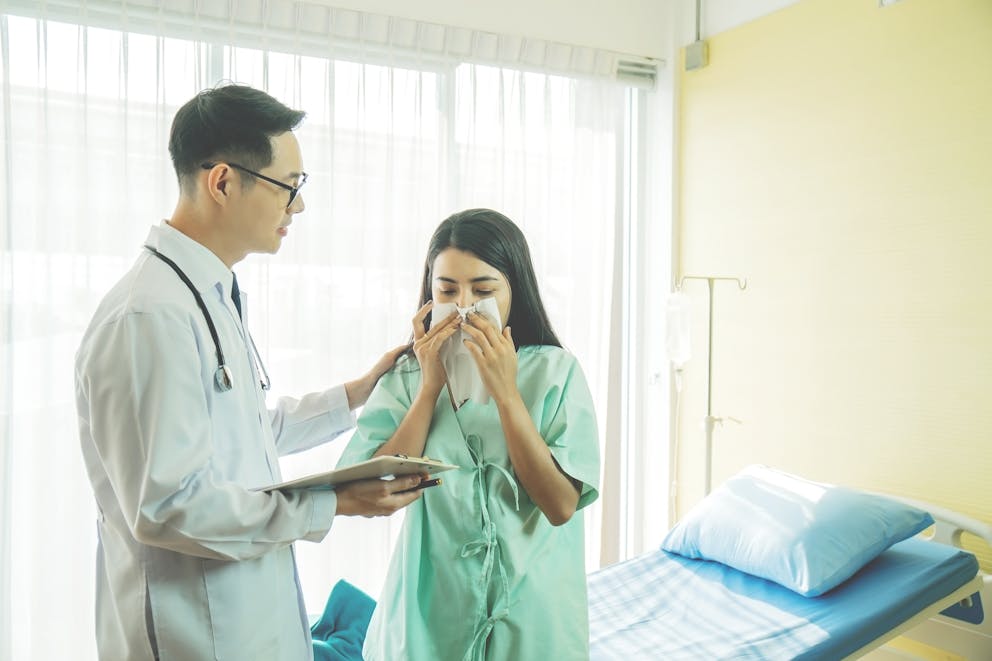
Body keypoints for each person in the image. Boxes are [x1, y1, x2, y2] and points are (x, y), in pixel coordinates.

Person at [74, 83, 427, 661]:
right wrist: (332, 503)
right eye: (289, 187)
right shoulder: (148, 317)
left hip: (250, 626)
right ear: (223, 182)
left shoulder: (207, 292)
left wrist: (357, 393)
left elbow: (242, 431)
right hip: (196, 636)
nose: (299, 206)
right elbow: (170, 507)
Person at [337, 208, 601, 660]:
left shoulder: (557, 373)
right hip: (428, 617)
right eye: (447, 289)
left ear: (513, 291)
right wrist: (429, 388)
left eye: (483, 290)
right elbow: (364, 490)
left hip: (534, 619)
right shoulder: (407, 375)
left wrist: (506, 394)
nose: (463, 306)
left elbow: (560, 506)